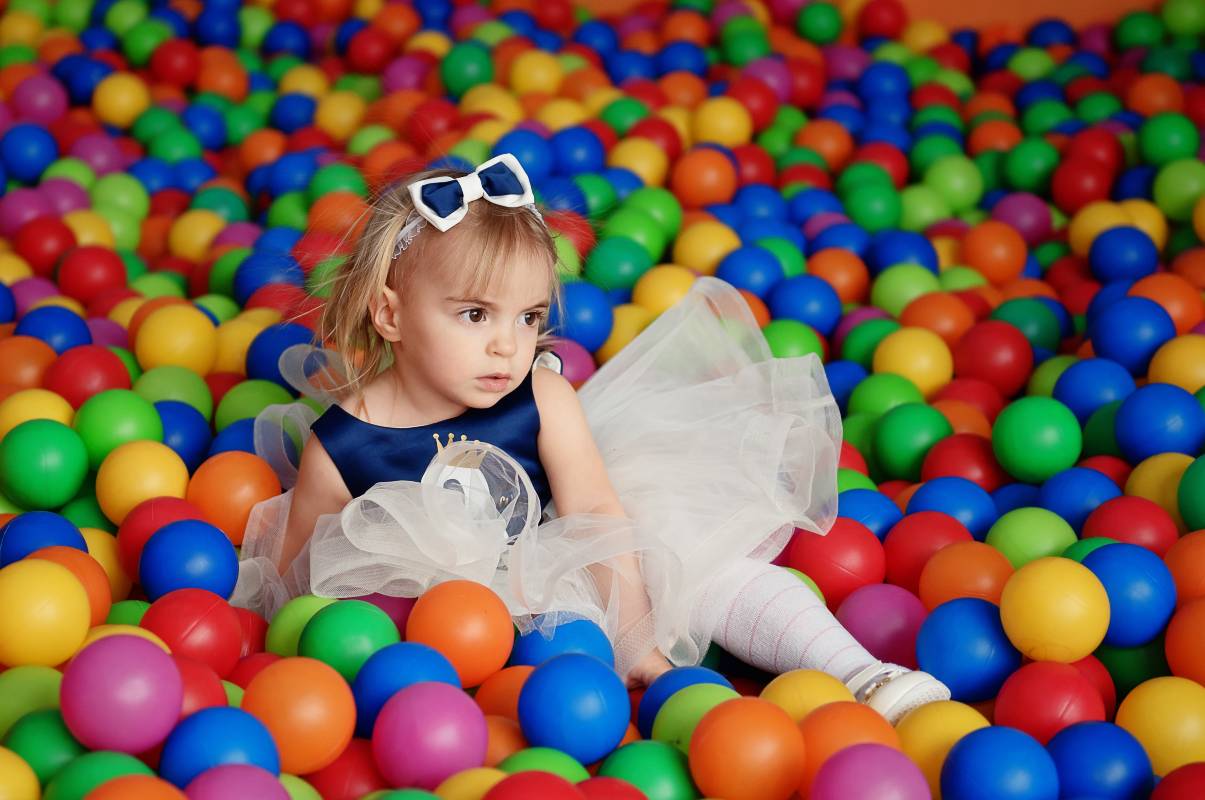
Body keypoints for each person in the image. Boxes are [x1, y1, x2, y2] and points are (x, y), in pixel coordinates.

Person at [233, 153, 949, 722]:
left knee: (703, 571)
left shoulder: (541, 395)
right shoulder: (342, 445)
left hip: (566, 564)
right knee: (547, 658)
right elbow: (301, 588)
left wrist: (639, 647)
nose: (507, 348)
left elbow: (597, 517)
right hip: (449, 630)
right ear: (390, 315)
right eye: (475, 315)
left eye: (527, 317)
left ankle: (861, 671)